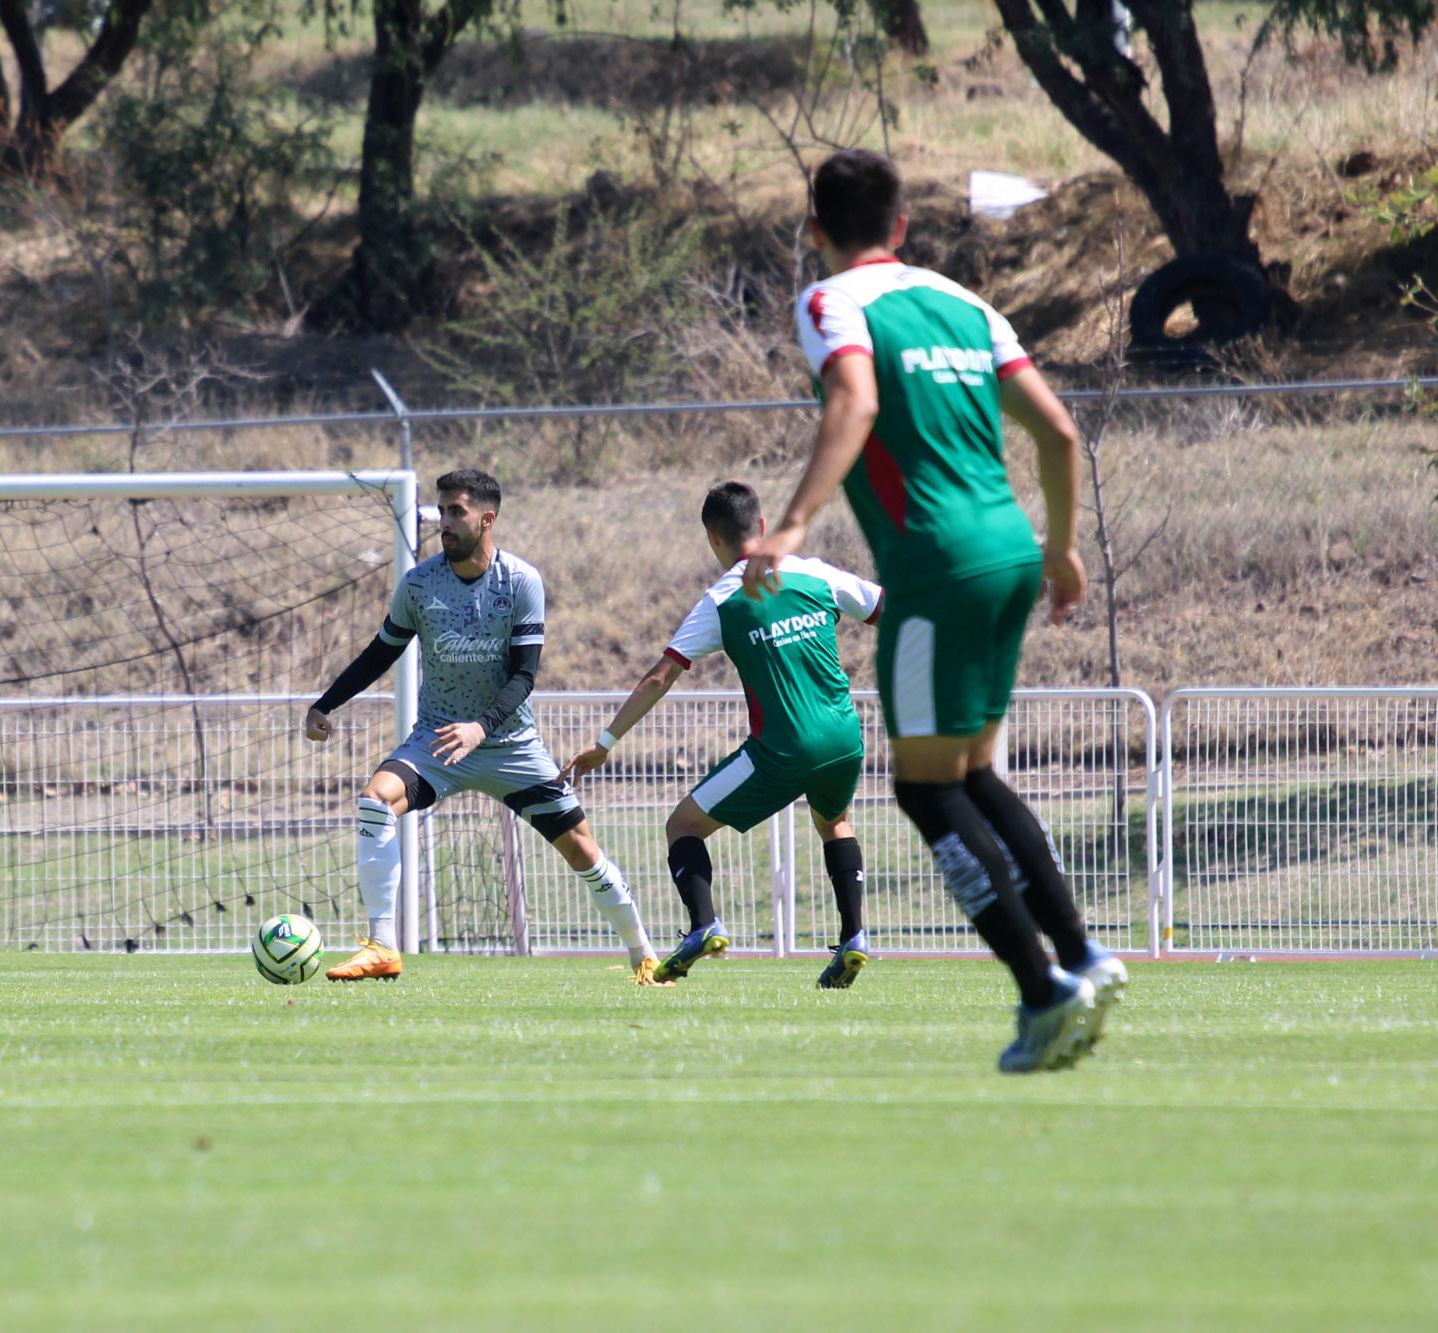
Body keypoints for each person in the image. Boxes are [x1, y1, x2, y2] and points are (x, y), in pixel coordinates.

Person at [741, 148, 1128, 1072]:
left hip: (935, 566)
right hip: (1012, 553)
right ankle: (1082, 953)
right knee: (974, 773)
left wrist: (792, 524)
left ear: (815, 231)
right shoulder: (969, 305)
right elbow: (1060, 429)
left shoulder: (833, 301)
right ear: (903, 226)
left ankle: (1044, 995)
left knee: (923, 788)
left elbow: (856, 400)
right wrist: (1063, 546)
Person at [303, 467, 668, 983]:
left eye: (457, 512)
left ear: (487, 518)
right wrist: (326, 703)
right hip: (436, 739)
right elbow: (379, 653)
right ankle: (383, 946)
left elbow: (524, 675)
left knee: (583, 850)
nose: (445, 522)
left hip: (511, 745)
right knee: (376, 798)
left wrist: (481, 726)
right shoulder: (419, 584)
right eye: (442, 512)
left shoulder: (519, 581)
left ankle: (644, 955)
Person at [560, 481, 882, 988]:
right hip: (845, 737)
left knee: (683, 826)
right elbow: (888, 610)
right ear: (761, 525)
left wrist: (604, 743)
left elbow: (660, 676)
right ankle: (855, 936)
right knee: (835, 821)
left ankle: (703, 923)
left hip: (782, 747)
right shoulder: (815, 573)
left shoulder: (721, 599)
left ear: (713, 539)